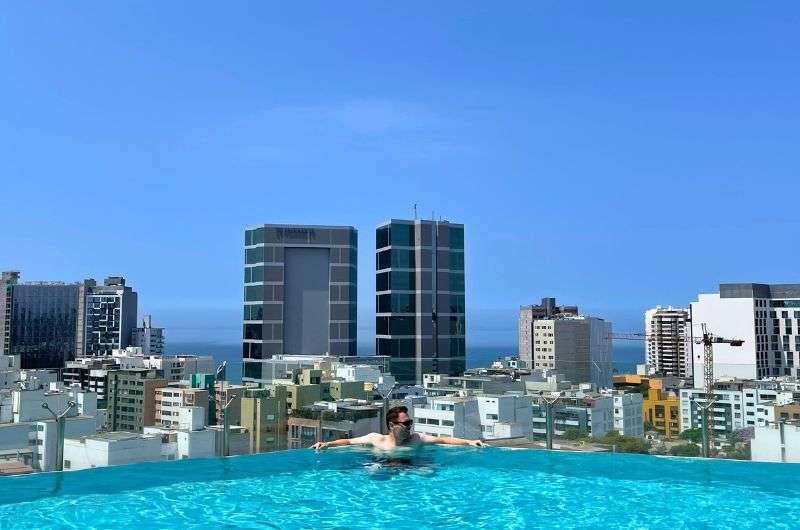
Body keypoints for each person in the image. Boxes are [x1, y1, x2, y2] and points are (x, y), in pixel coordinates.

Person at [310, 405, 485, 451]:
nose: (409, 426)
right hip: (385, 465)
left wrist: (470, 442)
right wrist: (326, 444)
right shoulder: (376, 439)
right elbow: (348, 441)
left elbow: (444, 439)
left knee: (427, 473)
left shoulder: (417, 439)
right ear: (392, 425)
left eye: (410, 423)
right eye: (406, 423)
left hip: (410, 467)